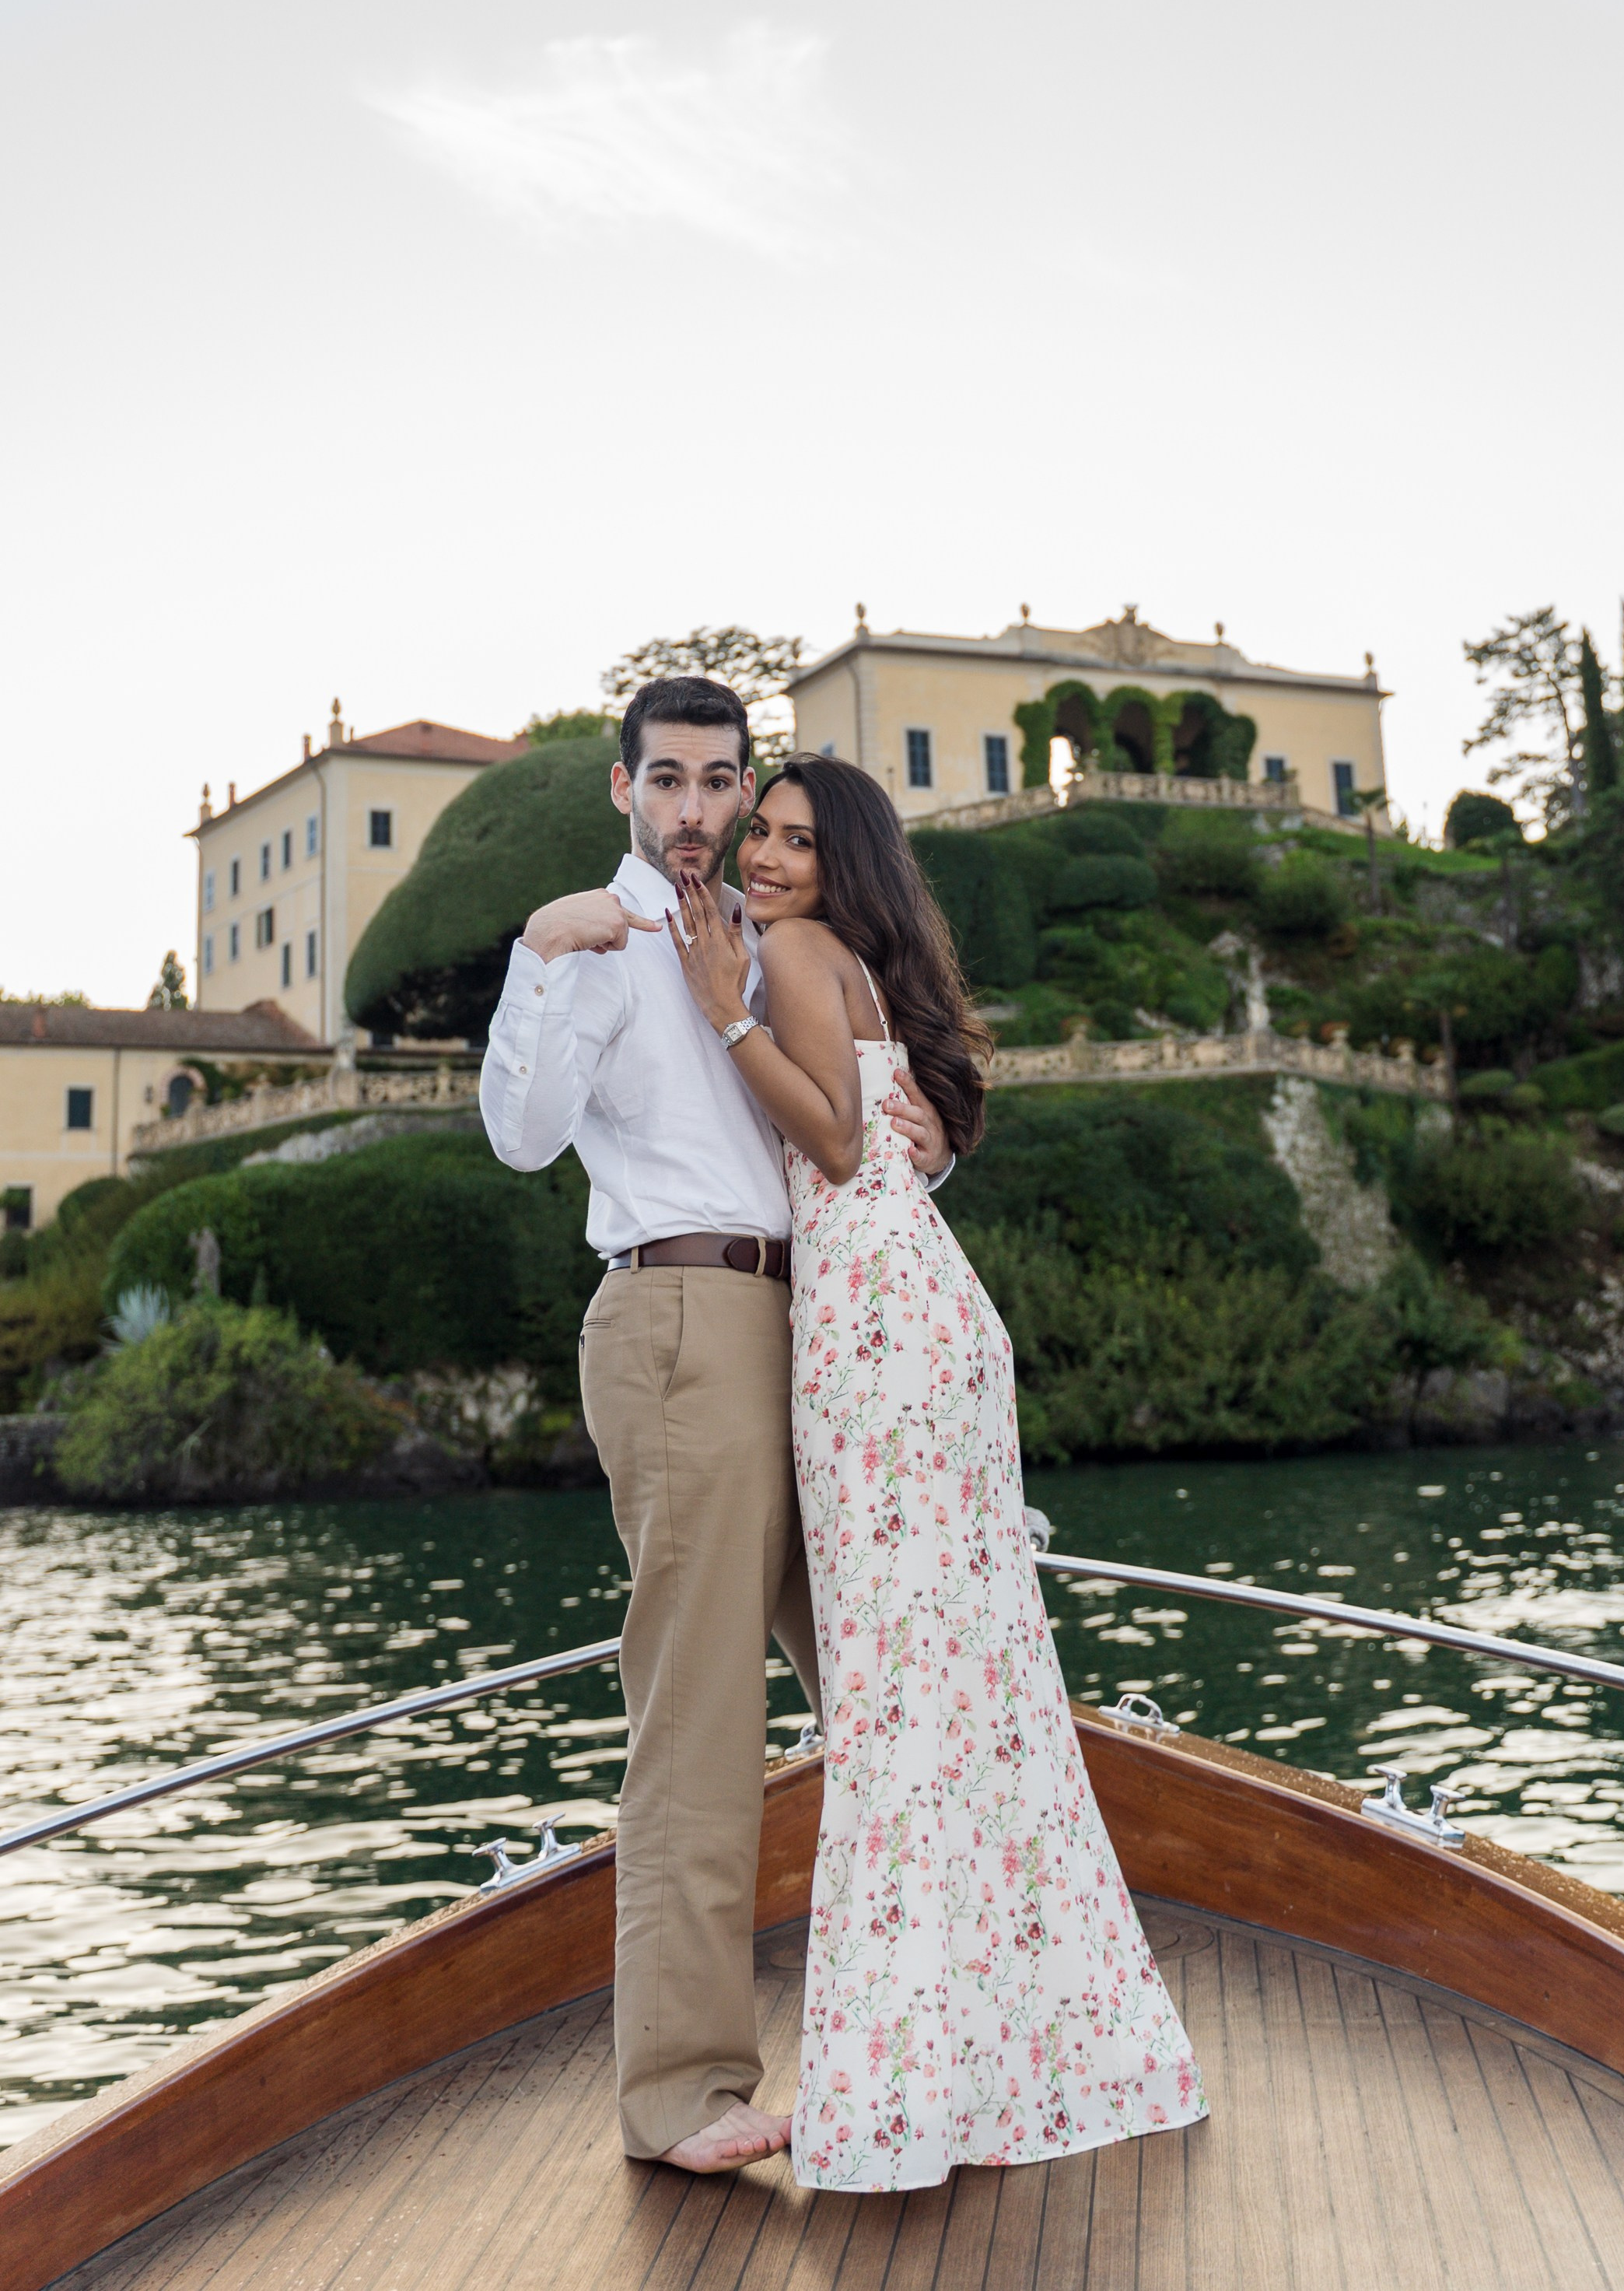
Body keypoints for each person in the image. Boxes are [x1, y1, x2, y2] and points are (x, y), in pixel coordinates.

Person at [669, 750, 1206, 2191]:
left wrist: (726, 1021)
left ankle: (915, 2085)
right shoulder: (849, 954)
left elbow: (841, 1143)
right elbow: (904, 1129)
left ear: (840, 862)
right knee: (964, 1692)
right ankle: (1014, 2051)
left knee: (903, 1702)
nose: (769, 860)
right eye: (759, 836)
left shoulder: (780, 951)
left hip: (876, 1333)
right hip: (929, 1317)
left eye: (794, 839)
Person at [479, 679, 952, 2176]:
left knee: (883, 1680)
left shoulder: (763, 941)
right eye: (667, 781)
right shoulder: (598, 944)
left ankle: (943, 2033)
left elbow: (837, 1150)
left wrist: (923, 1142)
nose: (696, 810)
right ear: (623, 788)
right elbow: (520, 1135)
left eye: (718, 783)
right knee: (702, 1717)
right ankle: (683, 2093)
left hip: (815, 1332)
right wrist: (536, 960)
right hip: (685, 1324)